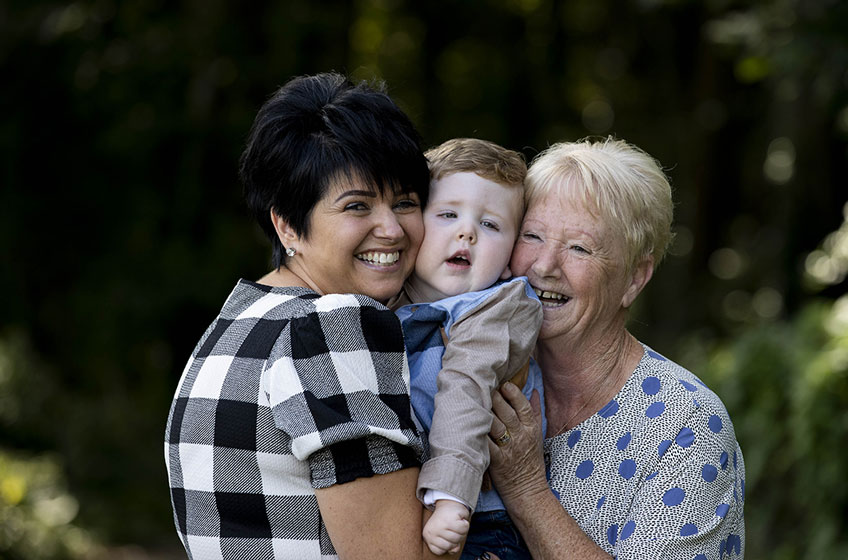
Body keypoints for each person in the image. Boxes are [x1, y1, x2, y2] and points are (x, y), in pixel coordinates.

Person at [163, 72, 457, 560]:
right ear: (287, 225)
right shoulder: (335, 327)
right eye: (357, 206)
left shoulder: (234, 323)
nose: (391, 229)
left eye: (405, 202)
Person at [484, 138, 746, 559]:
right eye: (532, 236)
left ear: (634, 279)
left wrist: (526, 487)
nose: (544, 265)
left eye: (579, 248)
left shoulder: (686, 426)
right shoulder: (480, 374)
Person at [392, 138, 543, 558]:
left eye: (491, 225)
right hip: (410, 500)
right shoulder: (391, 300)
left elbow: (467, 388)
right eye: (448, 214)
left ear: (512, 256)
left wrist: (451, 498)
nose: (467, 231)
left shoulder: (495, 308)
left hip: (477, 520)